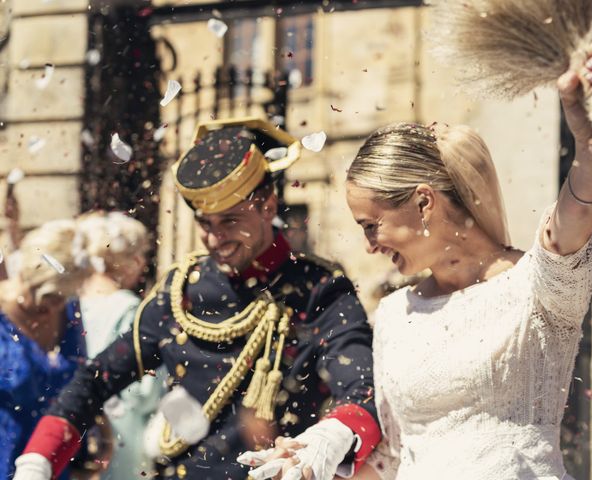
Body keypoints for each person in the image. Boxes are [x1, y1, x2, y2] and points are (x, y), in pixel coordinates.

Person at [13, 118, 381, 480]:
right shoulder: (180, 291)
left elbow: (362, 388)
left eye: (230, 220)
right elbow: (95, 380)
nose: (215, 238)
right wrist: (38, 459)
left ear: (268, 204)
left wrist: (329, 439)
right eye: (206, 223)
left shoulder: (320, 289)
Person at [342, 41, 592, 479]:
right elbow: (394, 455)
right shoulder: (392, 315)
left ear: (424, 203)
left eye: (371, 224)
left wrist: (591, 146)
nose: (369, 245)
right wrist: (315, 461)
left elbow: (576, 214)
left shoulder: (537, 285)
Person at [75, 211, 165, 479]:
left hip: (81, 433)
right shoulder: (129, 309)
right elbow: (145, 392)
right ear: (133, 261)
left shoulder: (72, 303)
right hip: (121, 441)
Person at [0, 219, 89, 479]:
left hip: (53, 458)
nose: (53, 308)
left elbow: (83, 377)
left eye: (63, 297)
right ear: (27, 275)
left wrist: (101, 431)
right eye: (49, 295)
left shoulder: (67, 309)